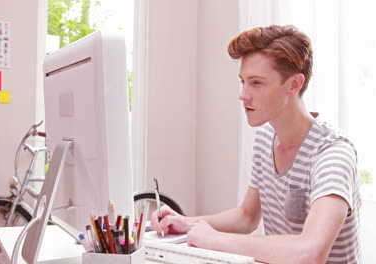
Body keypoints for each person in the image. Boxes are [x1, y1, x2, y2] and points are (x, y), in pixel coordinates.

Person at [150, 24, 362, 264]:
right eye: (243, 82)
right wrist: (187, 223)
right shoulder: (264, 139)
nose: (243, 94)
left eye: (256, 83)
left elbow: (310, 253)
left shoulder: (332, 153)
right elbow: (246, 217)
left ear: (294, 84)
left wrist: (215, 239)